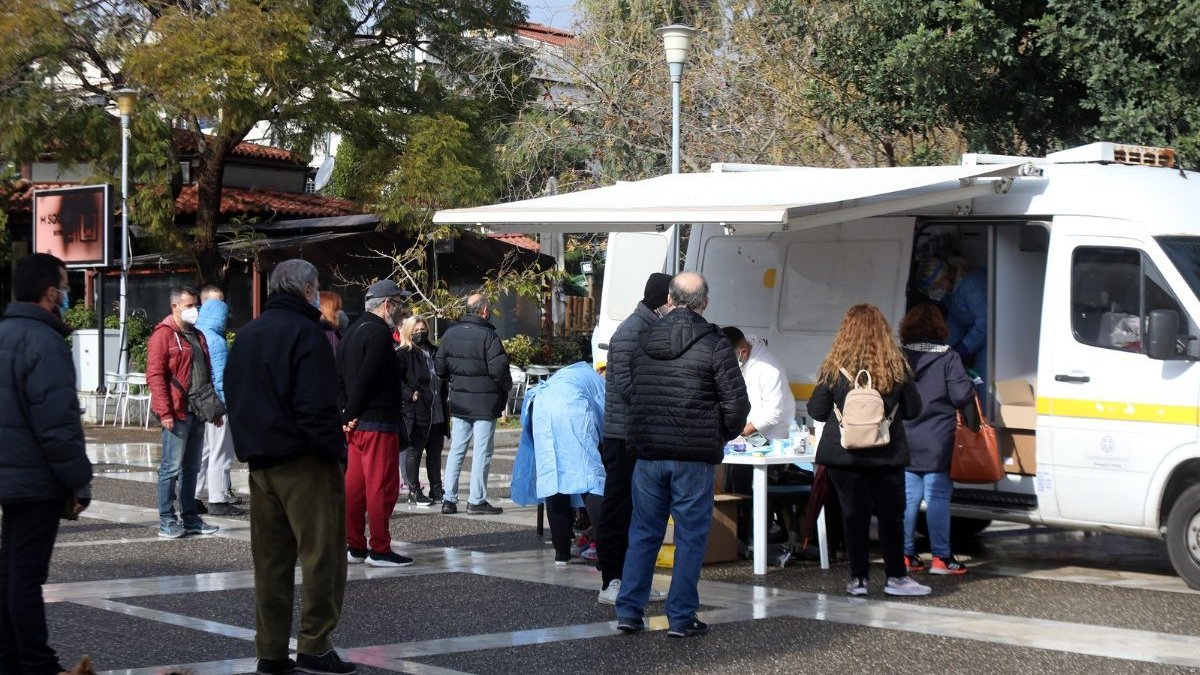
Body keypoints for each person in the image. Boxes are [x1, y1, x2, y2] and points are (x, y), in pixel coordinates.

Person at [225, 259, 355, 675]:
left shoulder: (248, 335)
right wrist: (335, 450)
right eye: (316, 287)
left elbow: (235, 394)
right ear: (306, 290)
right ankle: (315, 645)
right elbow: (315, 405)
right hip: (304, 461)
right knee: (322, 558)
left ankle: (271, 651)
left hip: (261, 462)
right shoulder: (307, 334)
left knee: (271, 563)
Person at [615, 272, 750, 638]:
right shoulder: (715, 344)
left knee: (644, 533)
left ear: (670, 300)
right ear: (704, 303)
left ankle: (629, 610)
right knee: (690, 537)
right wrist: (718, 433)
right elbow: (737, 405)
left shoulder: (643, 339)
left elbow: (631, 390)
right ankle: (681, 616)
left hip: (648, 453)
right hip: (693, 455)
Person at [0, 253, 93, 675]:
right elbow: (57, 424)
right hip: (36, 478)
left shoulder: (4, 334)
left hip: (10, 473)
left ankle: (10, 656)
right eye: (65, 285)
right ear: (49, 292)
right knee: (26, 576)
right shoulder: (45, 342)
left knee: (10, 572)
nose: (67, 293)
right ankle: (36, 662)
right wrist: (78, 482)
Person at [807, 304, 929, 597]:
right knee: (891, 516)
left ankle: (858, 579)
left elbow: (817, 410)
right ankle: (896, 578)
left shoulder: (835, 367)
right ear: (882, 331)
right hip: (887, 454)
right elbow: (913, 410)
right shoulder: (895, 365)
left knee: (853, 515)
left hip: (843, 454)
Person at [595, 272, 672, 605]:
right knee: (618, 509)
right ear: (663, 300)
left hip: (639, 434)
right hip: (623, 435)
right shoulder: (631, 332)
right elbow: (626, 386)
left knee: (642, 512)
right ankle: (611, 580)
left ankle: (633, 581)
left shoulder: (649, 328)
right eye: (673, 300)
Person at [337, 279, 412, 567]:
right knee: (381, 485)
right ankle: (379, 548)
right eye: (397, 303)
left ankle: (354, 544)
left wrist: (346, 413)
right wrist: (351, 410)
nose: (400, 309)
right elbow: (368, 377)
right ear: (385, 305)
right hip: (378, 419)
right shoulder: (380, 334)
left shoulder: (352, 330)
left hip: (355, 423)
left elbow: (340, 375)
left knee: (354, 485)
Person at [899, 304, 975, 575]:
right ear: (940, 328)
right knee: (937, 496)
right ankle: (941, 558)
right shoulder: (948, 357)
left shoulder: (900, 356)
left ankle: (906, 555)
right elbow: (960, 396)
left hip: (905, 437)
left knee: (908, 498)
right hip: (938, 439)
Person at [510, 362, 606, 565]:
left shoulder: (571, 373)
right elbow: (604, 417)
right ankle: (606, 550)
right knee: (590, 478)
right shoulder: (597, 381)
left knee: (552, 478)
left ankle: (561, 551)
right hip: (571, 409)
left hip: (540, 407)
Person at [146, 286, 220, 539]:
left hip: (198, 411)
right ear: (175, 307)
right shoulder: (163, 335)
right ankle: (167, 520)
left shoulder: (197, 335)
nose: (194, 310)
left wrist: (214, 409)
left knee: (191, 468)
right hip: (176, 412)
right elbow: (155, 375)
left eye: (195, 305)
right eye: (188, 305)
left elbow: (205, 375)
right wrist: (164, 411)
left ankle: (190, 518)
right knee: (171, 468)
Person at [435, 294, 511, 516]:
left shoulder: (450, 334)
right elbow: (499, 370)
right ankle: (476, 500)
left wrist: (457, 380)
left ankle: (448, 498)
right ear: (484, 310)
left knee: (457, 449)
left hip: (459, 401)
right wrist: (505, 387)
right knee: (482, 452)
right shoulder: (489, 336)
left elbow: (440, 369)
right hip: (485, 404)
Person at [194, 285, 245, 517]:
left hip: (198, 403)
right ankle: (217, 498)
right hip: (216, 405)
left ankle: (193, 496)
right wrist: (228, 406)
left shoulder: (194, 333)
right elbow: (222, 377)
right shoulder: (216, 339)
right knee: (220, 452)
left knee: (202, 453)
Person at [396, 316, 448, 506]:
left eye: (423, 329)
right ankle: (414, 490)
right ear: (409, 332)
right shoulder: (403, 353)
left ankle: (436, 488)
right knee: (414, 451)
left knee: (435, 452)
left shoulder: (435, 351)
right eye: (416, 330)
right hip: (416, 410)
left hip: (437, 408)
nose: (420, 333)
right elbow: (396, 379)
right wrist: (410, 394)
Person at [915, 257, 987, 388]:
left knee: (982, 380)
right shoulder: (950, 294)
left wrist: (964, 347)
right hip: (981, 341)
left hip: (994, 339)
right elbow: (955, 321)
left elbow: (985, 322)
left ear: (943, 279)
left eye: (934, 287)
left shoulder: (970, 286)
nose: (933, 293)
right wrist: (944, 350)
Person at [721, 326, 796, 440]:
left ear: (744, 352)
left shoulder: (770, 369)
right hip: (741, 436)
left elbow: (772, 413)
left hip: (769, 438)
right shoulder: (739, 359)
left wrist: (740, 433)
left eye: (729, 359)